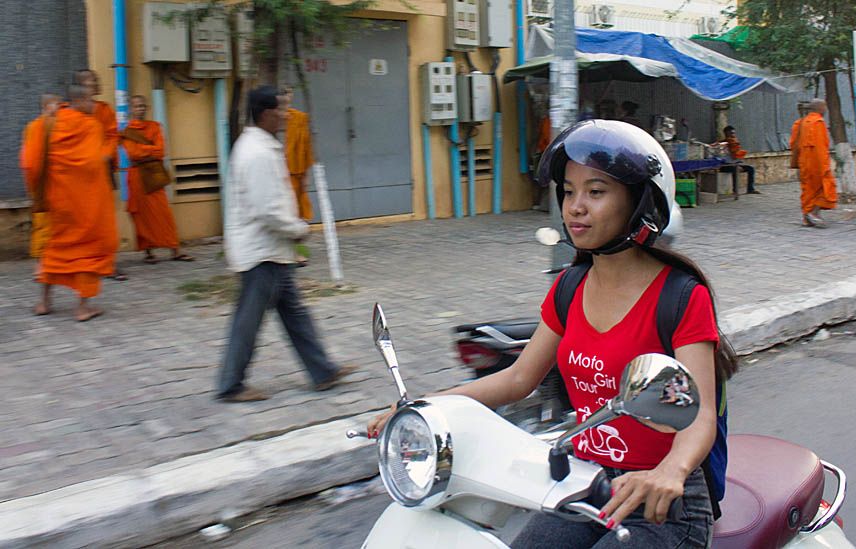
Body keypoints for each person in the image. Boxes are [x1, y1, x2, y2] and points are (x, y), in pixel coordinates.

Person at [368, 120, 739, 548]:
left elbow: (701, 415)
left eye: (596, 192)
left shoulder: (680, 296)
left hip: (661, 501)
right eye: (568, 191)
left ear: (640, 202)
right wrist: (425, 405)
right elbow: (517, 379)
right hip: (588, 483)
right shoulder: (569, 288)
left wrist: (671, 471)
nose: (576, 206)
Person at [216, 86, 352, 402]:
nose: (284, 116)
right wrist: (297, 229)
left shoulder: (258, 146)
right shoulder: (257, 153)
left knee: (295, 314)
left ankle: (323, 372)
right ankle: (230, 385)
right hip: (261, 252)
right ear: (265, 113)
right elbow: (267, 209)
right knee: (248, 321)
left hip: (271, 250)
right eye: (280, 110)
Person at [21, 85, 118, 320]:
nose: (94, 105)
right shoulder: (90, 126)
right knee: (88, 251)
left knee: (53, 248)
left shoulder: (42, 125)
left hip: (57, 202)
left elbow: (29, 163)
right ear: (81, 100)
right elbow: (96, 163)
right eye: (91, 101)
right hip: (86, 204)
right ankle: (83, 308)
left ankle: (44, 302)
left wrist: (38, 194)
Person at [120, 95, 193, 263]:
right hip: (137, 176)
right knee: (142, 216)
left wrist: (146, 151)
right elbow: (133, 153)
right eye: (137, 106)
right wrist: (150, 150)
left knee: (163, 213)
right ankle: (148, 252)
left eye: (143, 106)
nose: (140, 109)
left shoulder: (154, 127)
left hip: (153, 174)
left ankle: (175, 249)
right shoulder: (126, 132)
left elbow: (161, 151)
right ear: (131, 109)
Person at [76, 68, 128, 280]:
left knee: (105, 219)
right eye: (90, 81)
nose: (96, 83)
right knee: (84, 220)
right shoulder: (72, 111)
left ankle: (108, 263)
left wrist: (105, 154)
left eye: (96, 80)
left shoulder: (104, 110)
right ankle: (86, 262)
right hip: (79, 173)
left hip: (102, 170)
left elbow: (113, 135)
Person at [21, 93, 62, 275]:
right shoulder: (35, 127)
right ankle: (40, 264)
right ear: (47, 105)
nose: (59, 107)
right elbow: (29, 158)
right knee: (42, 224)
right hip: (42, 182)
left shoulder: (59, 126)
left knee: (56, 224)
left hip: (56, 183)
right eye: (56, 104)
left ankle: (55, 262)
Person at [791, 99, 837, 228]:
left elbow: (793, 144)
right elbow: (820, 147)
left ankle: (807, 218)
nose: (826, 109)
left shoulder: (800, 123)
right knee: (826, 188)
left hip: (804, 163)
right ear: (820, 108)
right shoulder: (818, 122)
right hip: (817, 163)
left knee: (808, 190)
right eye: (825, 107)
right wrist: (825, 167)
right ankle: (814, 213)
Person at [282, 87, 315, 222]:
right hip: (276, 174)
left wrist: (305, 176)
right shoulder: (266, 121)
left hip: (294, 174)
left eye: (288, 102)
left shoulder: (298, 119)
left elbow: (305, 148)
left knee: (295, 213)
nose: (286, 108)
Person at [718, 125, 759, 195]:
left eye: (734, 133)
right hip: (725, 166)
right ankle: (735, 191)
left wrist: (738, 163)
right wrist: (736, 164)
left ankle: (750, 189)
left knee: (750, 169)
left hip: (735, 164)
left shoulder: (734, 143)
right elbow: (724, 159)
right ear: (726, 133)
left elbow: (737, 157)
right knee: (735, 169)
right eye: (731, 133)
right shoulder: (723, 145)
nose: (733, 135)